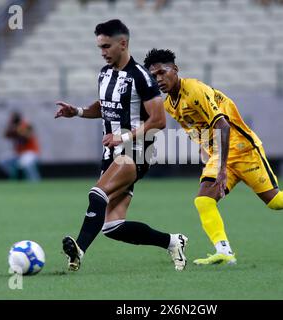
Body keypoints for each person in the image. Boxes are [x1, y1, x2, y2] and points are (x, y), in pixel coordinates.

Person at [144, 48, 283, 266]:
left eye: (162, 72)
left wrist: (220, 170)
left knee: (276, 202)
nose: (159, 79)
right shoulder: (169, 105)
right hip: (221, 155)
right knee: (203, 200)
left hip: (244, 150)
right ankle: (224, 253)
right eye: (154, 76)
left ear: (174, 68)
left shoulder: (195, 90)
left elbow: (222, 124)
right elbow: (199, 129)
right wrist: (206, 152)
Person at [54, 20, 187, 272]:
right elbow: (105, 107)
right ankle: (172, 242)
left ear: (123, 43)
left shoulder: (142, 77)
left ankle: (78, 251)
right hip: (111, 153)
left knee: (97, 194)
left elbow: (159, 121)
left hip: (135, 151)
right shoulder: (105, 73)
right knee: (112, 226)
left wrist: (123, 137)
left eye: (106, 46)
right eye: (99, 47)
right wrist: (78, 111)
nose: (103, 52)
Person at [0, 112, 41, 182]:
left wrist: (18, 130)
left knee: (25, 163)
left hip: (30, 152)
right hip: (19, 153)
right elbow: (5, 135)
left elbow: (28, 136)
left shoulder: (25, 125)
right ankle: (14, 177)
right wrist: (11, 129)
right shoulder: (13, 126)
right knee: (3, 161)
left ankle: (34, 181)